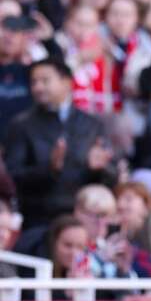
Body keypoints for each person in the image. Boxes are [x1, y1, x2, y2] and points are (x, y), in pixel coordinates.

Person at [4, 57, 116, 230]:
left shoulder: (91, 124)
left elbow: (111, 178)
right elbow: (12, 176)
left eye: (45, 80)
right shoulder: (22, 125)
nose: (38, 87)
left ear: (67, 82)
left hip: (81, 223)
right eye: (34, 82)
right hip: (37, 221)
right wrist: (50, 169)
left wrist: (100, 169)